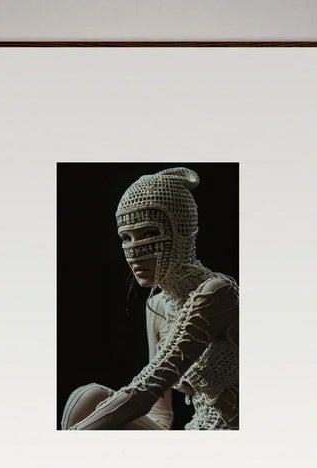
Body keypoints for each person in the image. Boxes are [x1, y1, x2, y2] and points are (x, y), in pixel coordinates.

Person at [61, 167, 239, 431]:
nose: (134, 250)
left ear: (181, 231)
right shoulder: (156, 305)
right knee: (89, 398)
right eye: (126, 237)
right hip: (192, 432)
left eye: (149, 234)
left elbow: (149, 386)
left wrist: (76, 435)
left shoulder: (217, 292)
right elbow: (159, 408)